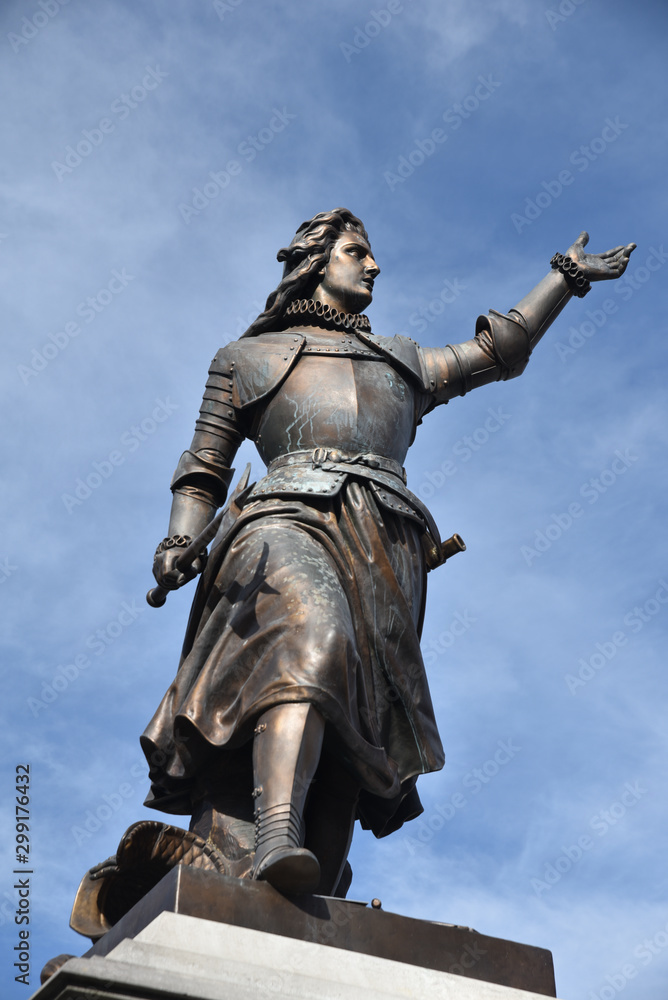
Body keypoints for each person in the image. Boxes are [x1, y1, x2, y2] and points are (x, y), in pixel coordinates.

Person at [143, 209, 635, 896]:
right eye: (357, 253)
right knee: (313, 638)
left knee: (363, 711)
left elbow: (498, 353)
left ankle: (312, 882)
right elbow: (204, 467)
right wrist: (177, 538)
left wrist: (564, 278)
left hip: (387, 539)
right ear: (314, 262)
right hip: (283, 516)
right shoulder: (242, 360)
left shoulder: (400, 360)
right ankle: (276, 830)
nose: (373, 267)